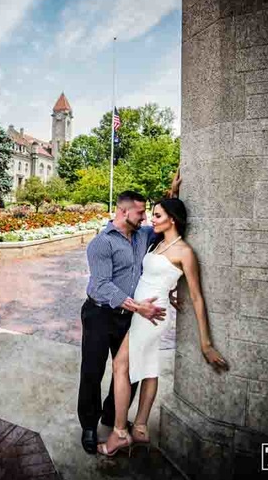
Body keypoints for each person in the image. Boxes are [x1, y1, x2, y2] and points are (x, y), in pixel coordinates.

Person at [96, 197, 229, 457]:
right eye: (152, 215)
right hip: (142, 309)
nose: (150, 220)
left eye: (157, 216)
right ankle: (141, 427)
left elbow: (197, 297)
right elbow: (156, 274)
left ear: (172, 220)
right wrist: (174, 188)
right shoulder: (158, 243)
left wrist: (206, 343)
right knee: (148, 368)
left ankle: (120, 433)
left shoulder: (185, 252)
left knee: (121, 365)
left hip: (152, 315)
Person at [78, 174, 181, 455]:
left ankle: (112, 418)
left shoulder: (143, 234)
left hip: (128, 317)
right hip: (99, 314)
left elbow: (167, 228)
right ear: (124, 212)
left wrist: (174, 190)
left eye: (146, 212)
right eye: (140, 212)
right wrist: (140, 307)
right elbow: (101, 286)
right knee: (92, 370)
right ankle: (89, 425)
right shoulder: (101, 243)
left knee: (128, 371)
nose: (145, 217)